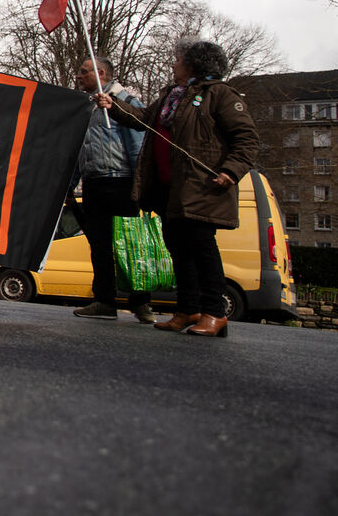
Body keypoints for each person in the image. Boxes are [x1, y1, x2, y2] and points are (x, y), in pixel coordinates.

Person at [99, 38, 258, 337]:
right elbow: (144, 120)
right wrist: (114, 105)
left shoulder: (220, 95)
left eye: (179, 60)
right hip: (170, 190)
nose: (174, 65)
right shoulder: (172, 95)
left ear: (194, 64)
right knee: (179, 249)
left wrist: (230, 171)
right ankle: (188, 310)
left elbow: (246, 138)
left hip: (202, 187)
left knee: (202, 249)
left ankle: (214, 313)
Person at [71, 57, 154, 323]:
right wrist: (72, 183)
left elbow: (138, 145)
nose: (78, 76)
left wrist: (140, 186)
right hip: (94, 182)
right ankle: (104, 301)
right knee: (99, 245)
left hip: (122, 182)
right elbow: (81, 148)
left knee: (132, 244)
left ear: (101, 73)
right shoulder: (87, 107)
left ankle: (141, 303)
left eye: (84, 72)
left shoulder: (125, 102)